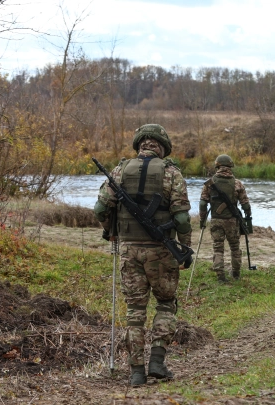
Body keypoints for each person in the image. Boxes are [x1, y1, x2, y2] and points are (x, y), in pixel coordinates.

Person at [93, 124, 192, 387]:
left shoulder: (120, 171)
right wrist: (184, 248)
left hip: (129, 251)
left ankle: (136, 371)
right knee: (165, 305)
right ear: (162, 146)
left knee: (135, 312)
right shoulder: (171, 173)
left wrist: (111, 232)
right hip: (161, 252)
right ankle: (157, 362)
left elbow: (101, 208)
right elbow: (181, 217)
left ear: (139, 144)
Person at [199, 154, 251, 282]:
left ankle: (220, 276)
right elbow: (245, 204)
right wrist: (247, 217)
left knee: (218, 248)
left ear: (217, 165)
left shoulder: (210, 183)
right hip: (232, 221)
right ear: (230, 166)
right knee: (235, 247)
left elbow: (202, 203)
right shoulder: (237, 183)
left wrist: (202, 219)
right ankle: (236, 274)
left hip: (216, 220)